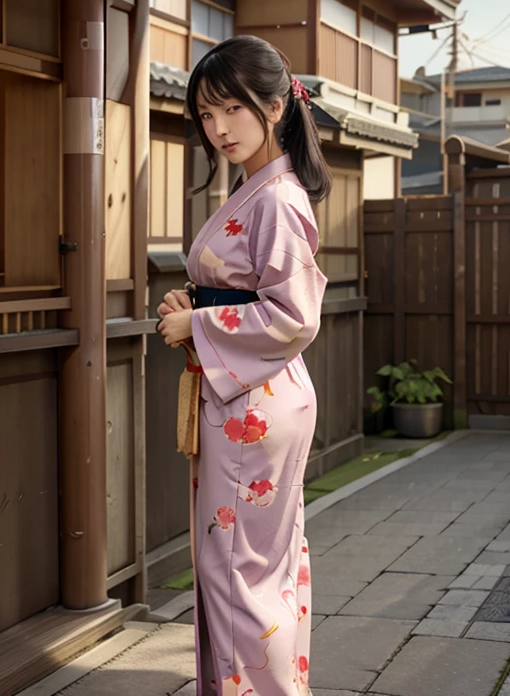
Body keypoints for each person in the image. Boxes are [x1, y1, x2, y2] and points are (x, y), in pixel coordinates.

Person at [156, 34, 331, 696]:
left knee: (236, 570)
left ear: (274, 106)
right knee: (253, 567)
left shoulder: (278, 198)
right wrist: (194, 306)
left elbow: (292, 316)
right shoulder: (258, 190)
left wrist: (199, 324)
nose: (218, 127)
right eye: (205, 114)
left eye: (231, 109)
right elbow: (248, 294)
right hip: (254, 394)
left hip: (254, 403)